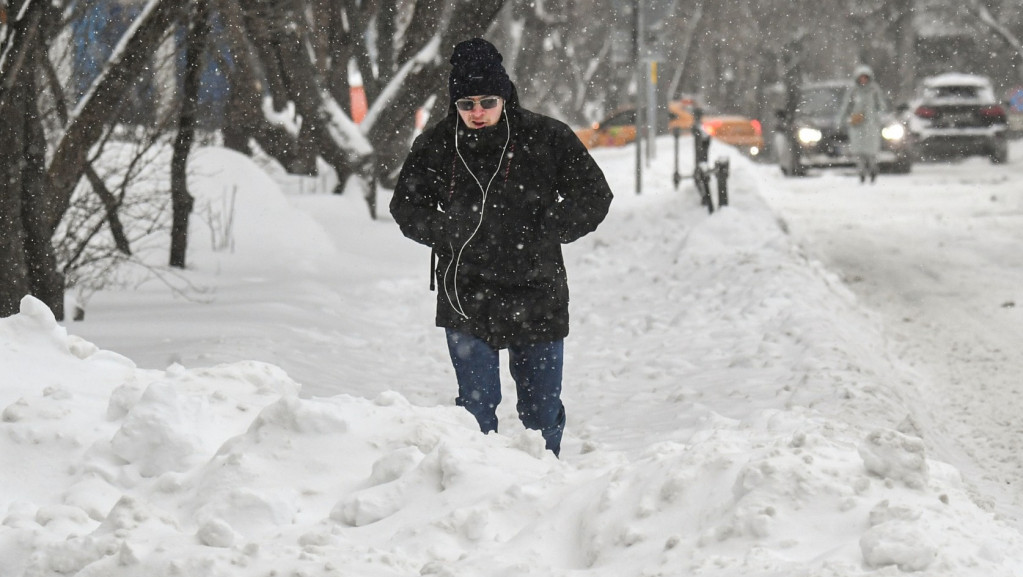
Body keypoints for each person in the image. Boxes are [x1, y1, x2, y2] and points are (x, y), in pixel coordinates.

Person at [389, 38, 613, 457]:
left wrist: (548, 229)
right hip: (465, 292)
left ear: (505, 96)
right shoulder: (438, 145)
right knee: (474, 411)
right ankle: (477, 486)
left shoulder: (545, 138)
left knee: (541, 410)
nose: (477, 113)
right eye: (466, 103)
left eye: (487, 101)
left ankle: (545, 481)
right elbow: (406, 205)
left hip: (536, 291)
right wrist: (445, 231)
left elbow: (594, 194)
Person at [838, 64, 886, 183]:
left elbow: (881, 106)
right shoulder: (853, 91)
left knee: (871, 152)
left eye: (865, 77)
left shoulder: (874, 90)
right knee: (858, 152)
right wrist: (843, 120)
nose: (863, 80)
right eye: (861, 77)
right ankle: (861, 172)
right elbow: (846, 107)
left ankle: (873, 169)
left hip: (871, 126)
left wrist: (877, 117)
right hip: (856, 125)